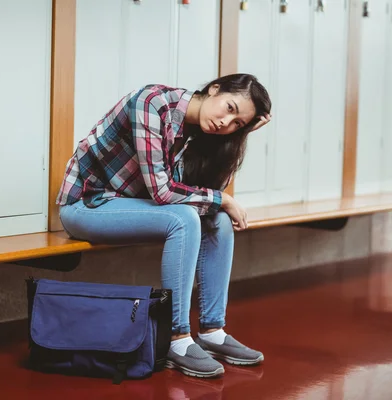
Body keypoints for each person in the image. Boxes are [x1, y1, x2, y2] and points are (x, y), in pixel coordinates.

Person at [56, 73, 272, 379]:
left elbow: (207, 189)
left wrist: (239, 139)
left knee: (218, 220)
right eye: (230, 108)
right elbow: (163, 192)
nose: (227, 121)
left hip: (131, 206)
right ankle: (176, 338)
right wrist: (222, 198)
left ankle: (212, 331)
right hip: (87, 205)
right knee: (185, 218)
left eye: (238, 123)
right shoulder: (153, 103)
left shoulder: (201, 130)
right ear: (214, 89)